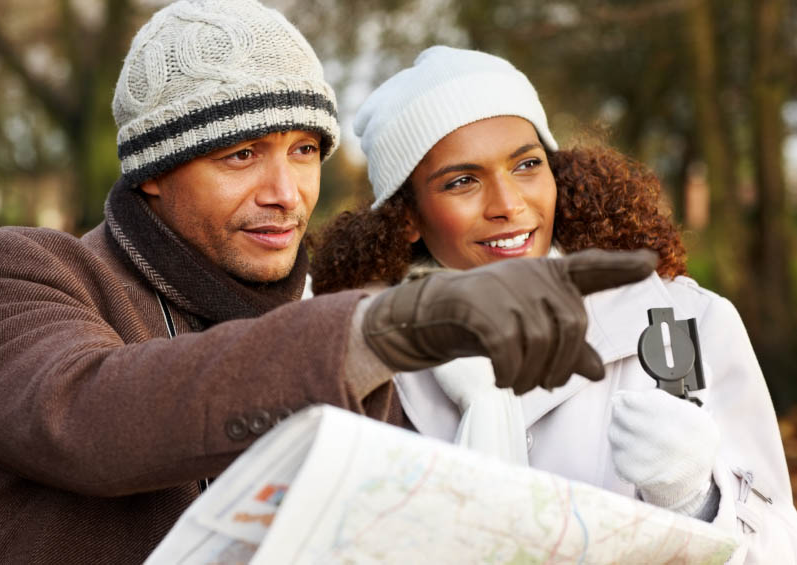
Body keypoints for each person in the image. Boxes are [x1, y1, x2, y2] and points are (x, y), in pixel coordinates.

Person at [0, 3, 658, 563]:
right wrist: (384, 327)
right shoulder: (16, 273)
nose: (285, 191)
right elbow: (89, 416)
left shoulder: (335, 318)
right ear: (154, 173)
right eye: (241, 154)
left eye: (305, 150)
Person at [310, 45, 797, 562]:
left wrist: (697, 501)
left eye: (526, 165)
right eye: (462, 181)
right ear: (407, 216)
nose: (508, 204)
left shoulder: (689, 322)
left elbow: (778, 549)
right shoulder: (364, 358)